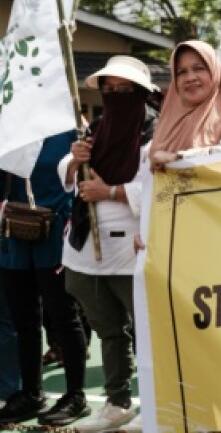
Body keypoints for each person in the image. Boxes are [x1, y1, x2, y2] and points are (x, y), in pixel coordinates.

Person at [58, 56, 159, 432]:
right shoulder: (96, 127)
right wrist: (75, 160)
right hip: (85, 245)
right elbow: (68, 170)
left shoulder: (156, 131)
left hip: (131, 247)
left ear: (141, 92)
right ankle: (117, 402)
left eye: (125, 89)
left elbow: (157, 185)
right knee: (108, 330)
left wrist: (111, 191)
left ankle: (156, 402)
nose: (115, 95)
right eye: (109, 89)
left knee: (149, 331)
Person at [0, 131, 89, 426]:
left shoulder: (68, 131)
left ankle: (76, 394)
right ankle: (31, 392)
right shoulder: (9, 128)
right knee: (24, 318)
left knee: (63, 314)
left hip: (55, 228)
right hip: (15, 228)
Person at [149, 41, 221, 171]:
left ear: (214, 72)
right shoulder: (169, 118)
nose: (190, 77)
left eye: (198, 68)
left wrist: (178, 158)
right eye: (181, 72)